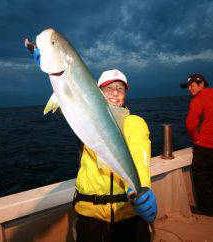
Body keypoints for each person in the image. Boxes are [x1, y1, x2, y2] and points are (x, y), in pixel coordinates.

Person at [25, 40, 157, 241]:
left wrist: (142, 190)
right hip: (91, 215)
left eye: (120, 89)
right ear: (98, 92)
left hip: (127, 212)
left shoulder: (135, 123)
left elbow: (140, 157)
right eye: (108, 88)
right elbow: (71, 103)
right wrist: (52, 65)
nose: (114, 93)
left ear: (125, 95)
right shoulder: (86, 114)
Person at [180, 73, 213, 216]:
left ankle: (206, 209)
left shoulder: (198, 99)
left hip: (204, 146)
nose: (189, 89)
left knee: (202, 176)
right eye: (188, 86)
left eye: (191, 85)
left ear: (201, 84)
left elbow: (190, 124)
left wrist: (194, 137)